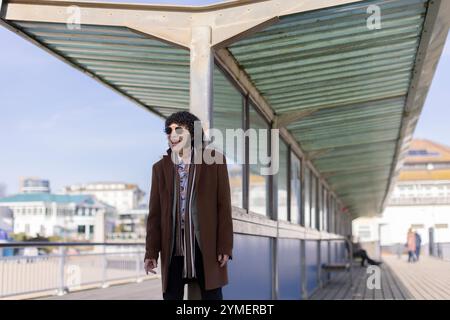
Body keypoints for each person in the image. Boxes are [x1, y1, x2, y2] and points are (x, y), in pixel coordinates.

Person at [144, 111, 233, 300]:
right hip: (173, 247)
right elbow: (155, 215)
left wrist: (225, 246)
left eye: (179, 129)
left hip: (206, 247)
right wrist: (151, 252)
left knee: (213, 298)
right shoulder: (159, 168)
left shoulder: (214, 161)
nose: (172, 134)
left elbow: (223, 207)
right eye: (168, 130)